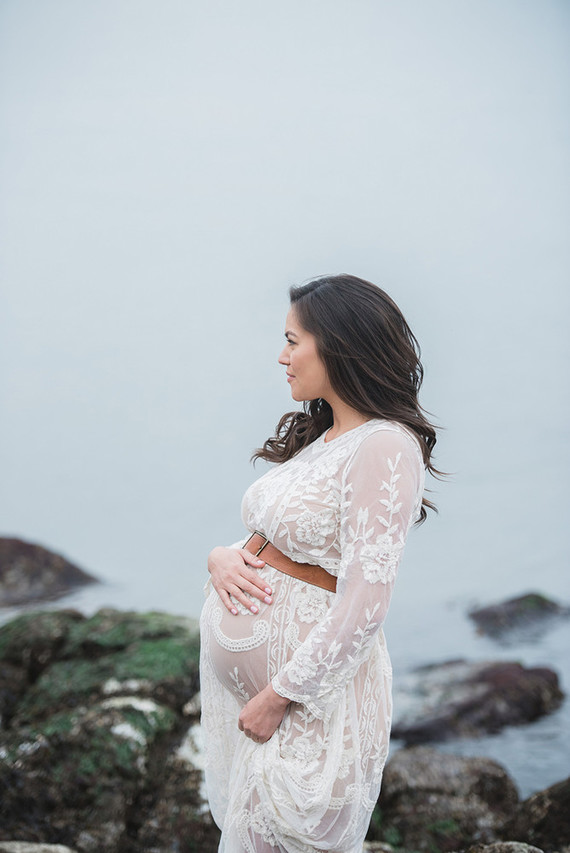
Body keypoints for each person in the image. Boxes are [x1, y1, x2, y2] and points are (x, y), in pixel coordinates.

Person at [199, 274, 440, 853]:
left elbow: (367, 599)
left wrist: (280, 693)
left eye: (291, 340)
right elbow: (282, 540)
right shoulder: (327, 437)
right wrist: (219, 558)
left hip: (306, 706)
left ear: (337, 344)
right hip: (269, 708)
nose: (280, 357)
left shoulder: (384, 445)